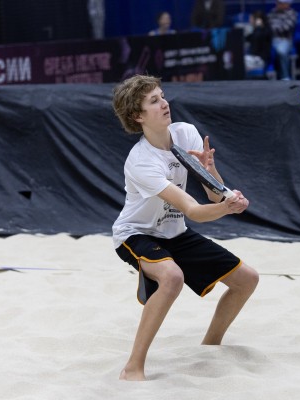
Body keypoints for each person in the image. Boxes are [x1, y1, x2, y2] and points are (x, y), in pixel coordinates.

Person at [111, 74, 259, 381]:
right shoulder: (141, 161)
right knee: (172, 277)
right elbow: (193, 211)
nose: (164, 103)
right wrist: (226, 208)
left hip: (174, 232)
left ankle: (210, 347)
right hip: (136, 233)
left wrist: (219, 183)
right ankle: (133, 368)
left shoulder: (185, 133)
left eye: (163, 96)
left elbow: (213, 194)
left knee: (247, 280)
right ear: (138, 116)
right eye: (154, 101)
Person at [267, 0, 297, 80]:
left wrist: (273, 28)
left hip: (285, 39)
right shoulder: (272, 12)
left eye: (280, 3)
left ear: (287, 4)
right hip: (271, 39)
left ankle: (285, 76)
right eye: (277, 2)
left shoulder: (292, 13)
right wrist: (273, 28)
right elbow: (268, 24)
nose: (278, 4)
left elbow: (286, 28)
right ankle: (265, 75)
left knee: (281, 51)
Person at [244, 10, 273, 77]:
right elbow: (247, 38)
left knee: (242, 62)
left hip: (261, 59)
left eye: (251, 18)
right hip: (253, 58)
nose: (249, 21)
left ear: (258, 20)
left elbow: (258, 37)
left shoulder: (266, 30)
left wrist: (258, 27)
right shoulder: (255, 30)